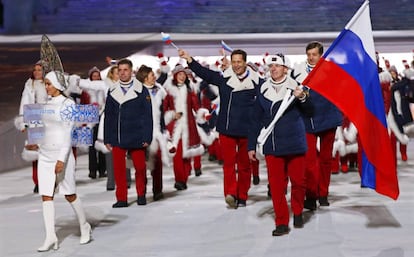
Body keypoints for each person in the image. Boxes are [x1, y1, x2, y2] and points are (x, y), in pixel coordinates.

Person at [179, 48, 265, 208]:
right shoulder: (224, 79)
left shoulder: (258, 83)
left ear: (245, 62)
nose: (236, 65)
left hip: (247, 131)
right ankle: (231, 193)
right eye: (234, 62)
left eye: (239, 62)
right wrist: (189, 60)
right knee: (229, 164)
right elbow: (205, 73)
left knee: (245, 166)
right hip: (226, 129)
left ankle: (243, 195)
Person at [248, 53, 313, 236]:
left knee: (299, 182)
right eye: (271, 66)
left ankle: (298, 211)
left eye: (277, 66)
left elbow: (310, 111)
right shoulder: (262, 89)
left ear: (286, 68)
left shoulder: (297, 87)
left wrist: (302, 97)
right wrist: (251, 145)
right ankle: (281, 222)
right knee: (276, 186)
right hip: (273, 144)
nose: (273, 69)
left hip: (295, 143)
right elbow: (255, 120)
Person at [32, 70, 91, 252]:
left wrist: (61, 159)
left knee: (69, 194)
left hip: (61, 156)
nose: (46, 86)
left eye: (49, 83)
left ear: (58, 84)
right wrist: (35, 142)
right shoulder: (48, 103)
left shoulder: (68, 104)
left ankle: (84, 225)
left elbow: (67, 134)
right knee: (46, 196)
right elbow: (46, 128)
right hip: (45, 155)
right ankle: (51, 237)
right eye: (46, 84)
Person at [292, 41, 342, 209]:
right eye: (309, 54)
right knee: (309, 161)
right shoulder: (298, 72)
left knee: (326, 159)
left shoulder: (331, 71)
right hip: (308, 120)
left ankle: (323, 193)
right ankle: (311, 194)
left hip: (328, 119)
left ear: (321, 55)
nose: (311, 57)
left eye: (314, 54)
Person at [104, 58, 153, 207]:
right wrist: (107, 138)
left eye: (125, 70)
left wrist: (147, 137)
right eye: (120, 70)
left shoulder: (142, 90)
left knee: (140, 167)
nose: (123, 73)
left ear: (132, 71)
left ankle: (141, 194)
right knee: (119, 169)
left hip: (137, 135)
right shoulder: (112, 91)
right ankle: (121, 198)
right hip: (118, 135)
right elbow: (109, 116)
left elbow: (148, 115)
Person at [163, 64, 205, 190]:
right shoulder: (169, 91)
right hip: (175, 127)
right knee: (177, 154)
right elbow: (164, 108)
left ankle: (184, 177)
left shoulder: (190, 89)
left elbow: (196, 106)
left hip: (189, 125)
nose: (182, 76)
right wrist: (171, 115)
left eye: (183, 74)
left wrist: (202, 114)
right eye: (179, 74)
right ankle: (179, 180)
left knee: (187, 154)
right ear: (175, 76)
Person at [136, 64, 169, 201]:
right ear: (144, 77)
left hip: (157, 132)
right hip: (142, 132)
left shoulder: (159, 90)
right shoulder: (138, 92)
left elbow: (162, 112)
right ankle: (141, 192)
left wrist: (164, 128)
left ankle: (157, 190)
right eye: (151, 75)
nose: (154, 77)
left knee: (157, 163)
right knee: (141, 164)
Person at [15, 61, 48, 193]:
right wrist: (23, 121)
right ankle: (38, 181)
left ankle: (49, 180)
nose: (36, 72)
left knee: (48, 152)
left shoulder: (49, 84)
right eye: (35, 70)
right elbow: (25, 102)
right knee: (35, 153)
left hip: (49, 122)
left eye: (39, 70)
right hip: (35, 122)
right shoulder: (29, 84)